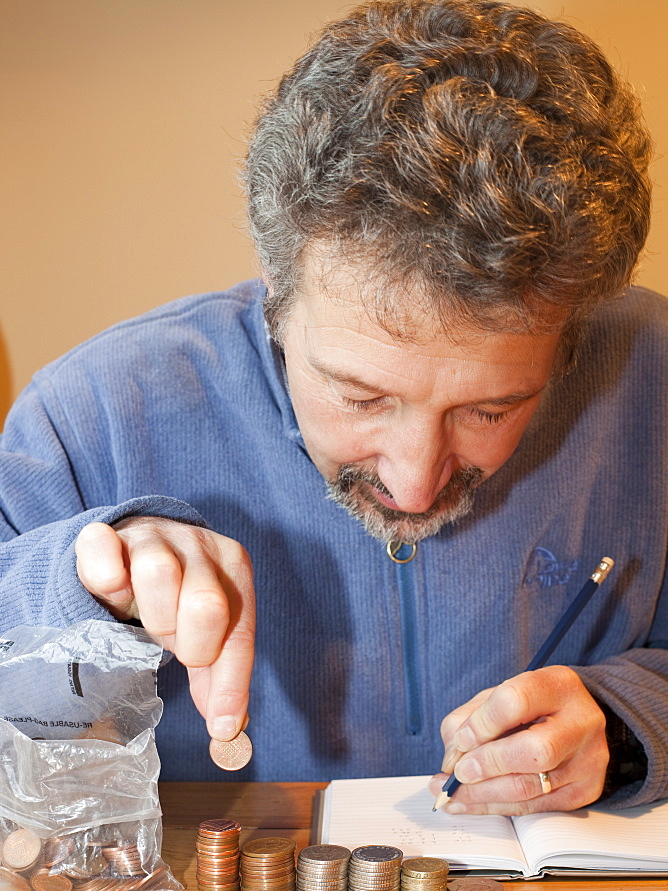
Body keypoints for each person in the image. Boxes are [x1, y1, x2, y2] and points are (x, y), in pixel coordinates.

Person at [0, 0, 666, 814]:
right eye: (360, 396)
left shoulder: (653, 375)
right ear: (278, 292)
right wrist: (83, 591)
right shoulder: (91, 414)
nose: (417, 486)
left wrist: (628, 724)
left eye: (492, 410)